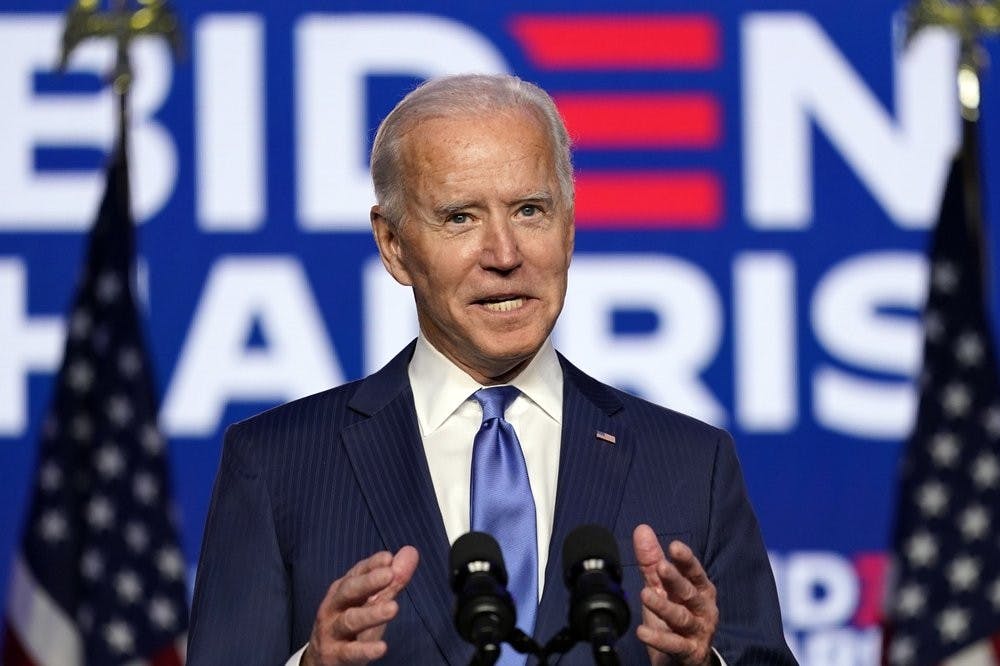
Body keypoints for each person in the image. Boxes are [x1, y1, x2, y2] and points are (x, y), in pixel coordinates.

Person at [187, 74, 795, 666]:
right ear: (393, 245)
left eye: (530, 211)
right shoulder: (276, 465)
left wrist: (703, 663)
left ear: (570, 226)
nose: (504, 255)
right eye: (460, 218)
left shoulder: (693, 463)